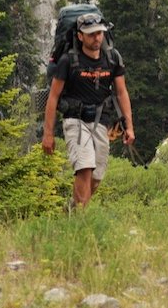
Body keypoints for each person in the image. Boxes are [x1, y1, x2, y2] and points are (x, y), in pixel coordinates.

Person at [42, 12, 135, 208]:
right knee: (84, 167)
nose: (96, 37)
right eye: (91, 34)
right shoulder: (69, 61)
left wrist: (129, 126)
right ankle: (79, 219)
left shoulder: (112, 58)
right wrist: (48, 134)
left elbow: (121, 92)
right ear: (80, 36)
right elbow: (53, 97)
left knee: (97, 175)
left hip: (101, 121)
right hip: (75, 120)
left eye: (99, 33)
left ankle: (73, 208)